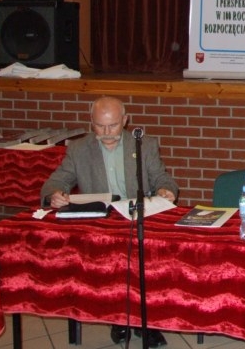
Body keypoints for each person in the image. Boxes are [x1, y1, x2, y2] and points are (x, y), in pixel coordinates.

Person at [41, 96, 179, 348]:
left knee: (151, 261)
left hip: (138, 217)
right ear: (91, 122)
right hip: (102, 224)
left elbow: (162, 178)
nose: (106, 133)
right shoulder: (79, 149)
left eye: (113, 125)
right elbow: (57, 180)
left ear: (125, 121)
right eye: (100, 126)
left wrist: (166, 190)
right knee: (109, 265)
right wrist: (54, 194)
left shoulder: (143, 144)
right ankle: (118, 318)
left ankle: (147, 323)